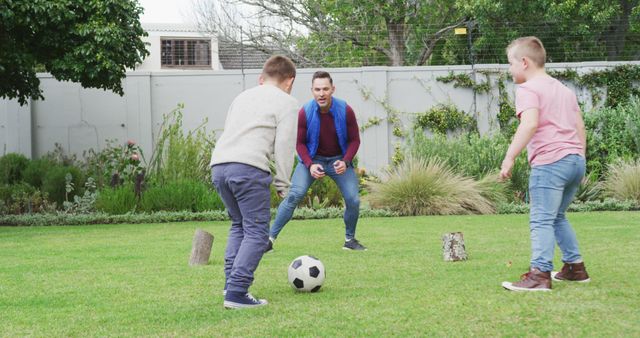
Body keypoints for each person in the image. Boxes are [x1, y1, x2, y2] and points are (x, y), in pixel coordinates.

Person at [500, 37, 590, 292]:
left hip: (550, 163)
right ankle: (575, 268)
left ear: (525, 62)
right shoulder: (564, 90)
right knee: (557, 216)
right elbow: (579, 127)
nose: (510, 69)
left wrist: (510, 157)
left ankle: (539, 275)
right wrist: (579, 156)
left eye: (511, 63)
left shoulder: (528, 89)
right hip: (574, 161)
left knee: (541, 219)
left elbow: (529, 124)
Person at [210, 55, 299, 308]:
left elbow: (230, 130)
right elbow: (284, 145)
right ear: (289, 81)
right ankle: (237, 292)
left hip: (219, 166)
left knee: (239, 225)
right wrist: (283, 183)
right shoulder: (288, 102)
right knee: (258, 233)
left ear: (264, 77)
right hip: (248, 169)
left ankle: (230, 284)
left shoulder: (242, 97)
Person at [267, 70, 367, 252]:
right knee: (294, 195)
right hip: (313, 160)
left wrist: (345, 161)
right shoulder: (305, 112)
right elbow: (299, 143)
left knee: (353, 199)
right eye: (317, 89)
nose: (321, 93)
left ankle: (350, 240)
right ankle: (269, 240)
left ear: (332, 89)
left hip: (339, 161)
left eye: (325, 89)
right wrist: (310, 164)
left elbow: (355, 140)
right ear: (312, 90)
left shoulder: (346, 110)